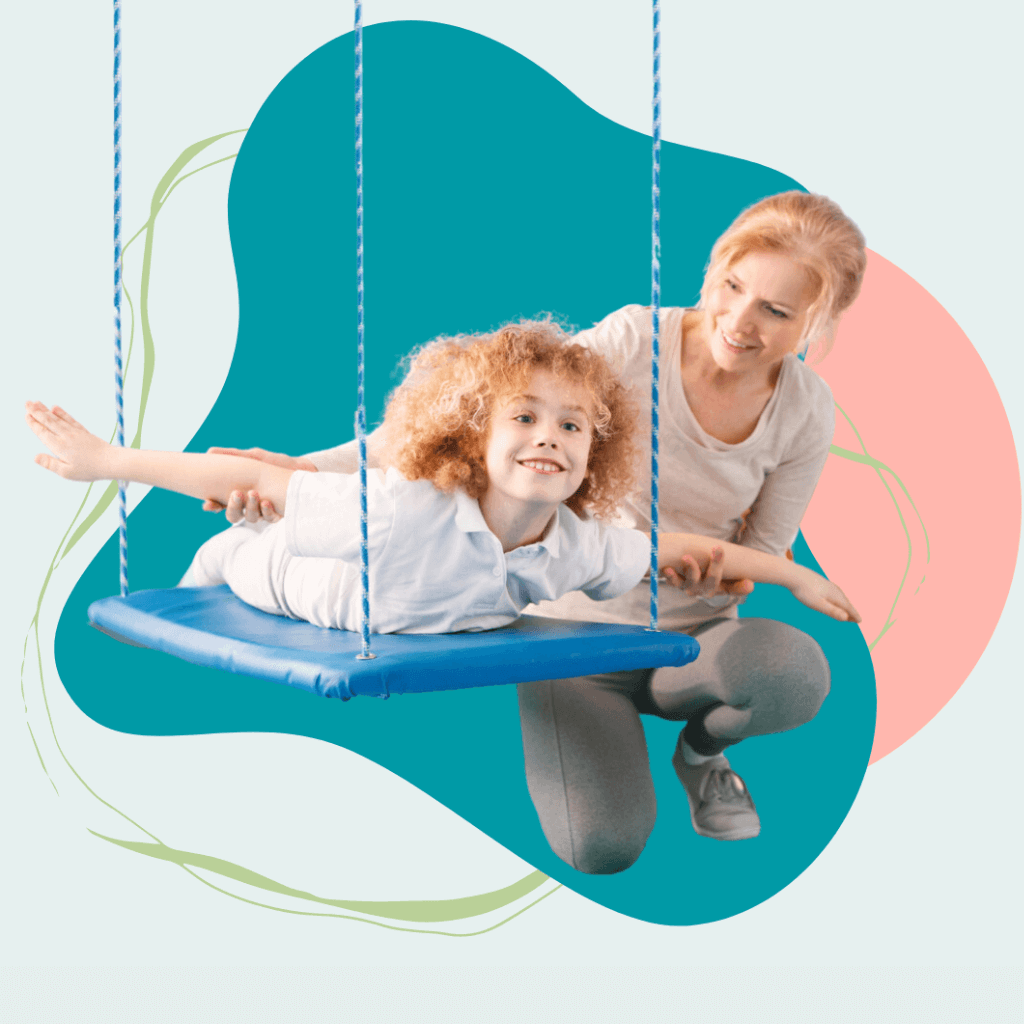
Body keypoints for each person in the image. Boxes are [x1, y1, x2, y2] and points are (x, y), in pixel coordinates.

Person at [196, 191, 868, 871]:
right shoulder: (636, 341)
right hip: (571, 636)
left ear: (818, 321)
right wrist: (302, 469)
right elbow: (481, 417)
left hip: (694, 641)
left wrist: (732, 569)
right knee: (602, 846)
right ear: (716, 269)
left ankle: (701, 754)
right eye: (732, 287)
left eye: (775, 312)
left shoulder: (806, 412)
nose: (739, 320)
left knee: (792, 673)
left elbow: (763, 551)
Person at [26, 321, 859, 637]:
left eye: (571, 427)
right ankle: (223, 554)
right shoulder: (405, 507)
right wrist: (107, 462)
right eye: (524, 419)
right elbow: (257, 479)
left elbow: (670, 546)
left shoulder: (574, 547)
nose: (550, 439)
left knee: (277, 517)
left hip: (403, 599)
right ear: (475, 438)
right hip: (299, 584)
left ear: (594, 453)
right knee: (252, 544)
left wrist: (791, 575)